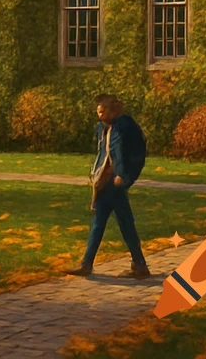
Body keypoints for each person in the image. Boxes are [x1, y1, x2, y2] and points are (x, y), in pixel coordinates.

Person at [68, 95, 150, 279]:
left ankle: (89, 264)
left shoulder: (125, 127)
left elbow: (131, 152)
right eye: (99, 111)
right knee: (116, 223)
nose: (100, 114)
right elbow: (103, 153)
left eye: (104, 110)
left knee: (113, 223)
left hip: (115, 182)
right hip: (106, 181)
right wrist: (97, 175)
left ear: (114, 110)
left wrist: (124, 175)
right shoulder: (102, 129)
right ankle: (137, 264)